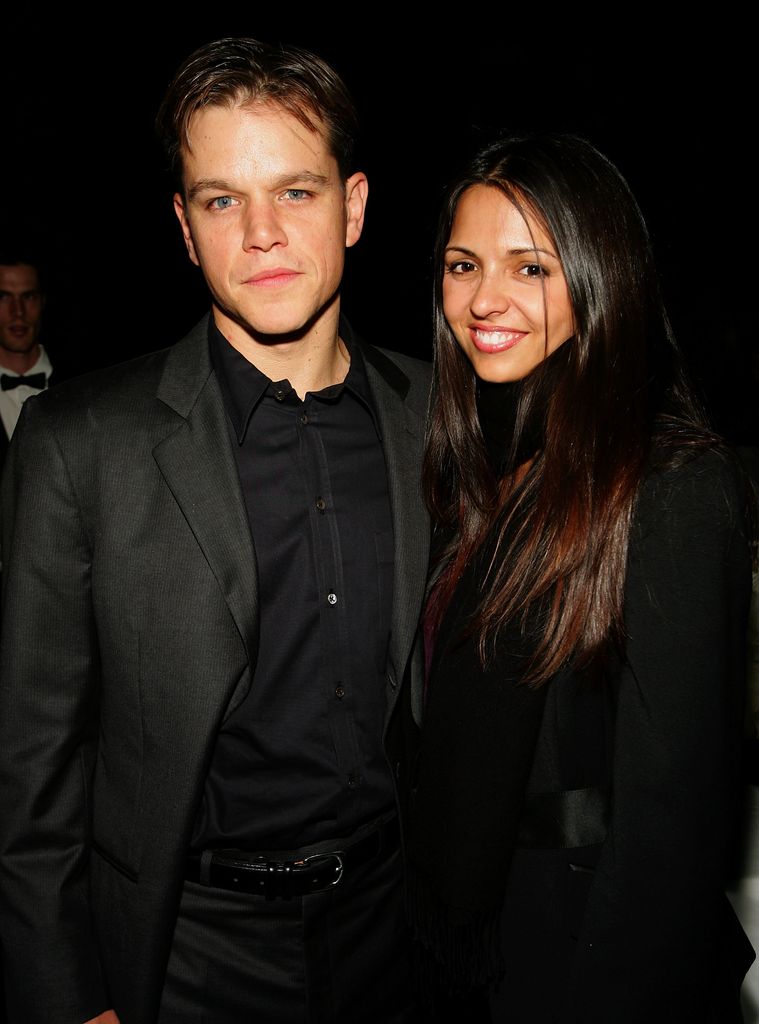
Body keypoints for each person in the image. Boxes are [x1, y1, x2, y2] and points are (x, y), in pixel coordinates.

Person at [0, 36, 431, 1024]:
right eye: (222, 200)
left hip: (397, 940)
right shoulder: (82, 443)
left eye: (297, 191)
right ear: (185, 229)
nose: (262, 234)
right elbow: (33, 768)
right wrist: (69, 999)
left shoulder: (437, 418)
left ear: (355, 206)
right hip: (182, 953)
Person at [402, 132, 757, 1023]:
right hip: (471, 954)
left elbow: (672, 834)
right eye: (461, 263)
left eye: (530, 269)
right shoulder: (479, 476)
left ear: (602, 276)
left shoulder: (670, 483)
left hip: (585, 961)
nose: (483, 298)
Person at [0, 247, 53, 469]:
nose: (18, 311)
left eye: (28, 296)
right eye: (3, 297)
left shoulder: (87, 382)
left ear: (42, 302)